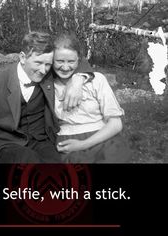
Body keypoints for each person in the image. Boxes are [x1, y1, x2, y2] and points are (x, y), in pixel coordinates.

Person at [0, 31, 87, 163]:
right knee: (28, 162)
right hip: (5, 143)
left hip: (40, 141)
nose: (43, 70)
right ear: (23, 57)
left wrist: (78, 80)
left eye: (48, 64)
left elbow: (79, 63)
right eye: (38, 63)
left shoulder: (49, 74)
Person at [52, 33, 131, 163]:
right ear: (52, 60)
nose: (65, 67)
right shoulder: (47, 84)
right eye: (60, 61)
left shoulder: (97, 80)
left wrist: (83, 144)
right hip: (66, 143)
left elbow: (116, 124)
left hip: (103, 139)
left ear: (79, 60)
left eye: (71, 61)